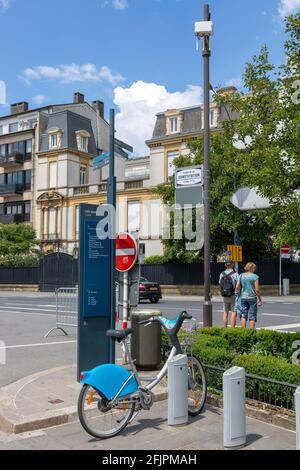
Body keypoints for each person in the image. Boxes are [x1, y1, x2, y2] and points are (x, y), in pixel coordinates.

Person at [235, 262, 262, 330]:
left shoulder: (241, 275)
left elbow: (237, 287)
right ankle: (251, 332)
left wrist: (238, 293)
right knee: (252, 315)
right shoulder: (255, 276)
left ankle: (244, 331)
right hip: (252, 297)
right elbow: (257, 289)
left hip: (243, 297)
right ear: (252, 268)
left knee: (243, 314)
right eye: (254, 268)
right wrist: (260, 299)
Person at [219, 261, 239, 328]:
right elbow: (238, 285)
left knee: (225, 311)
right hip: (233, 295)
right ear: (232, 265)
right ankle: (232, 329)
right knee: (233, 312)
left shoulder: (222, 274)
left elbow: (220, 284)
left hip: (225, 295)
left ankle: (225, 328)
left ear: (225, 265)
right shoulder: (235, 274)